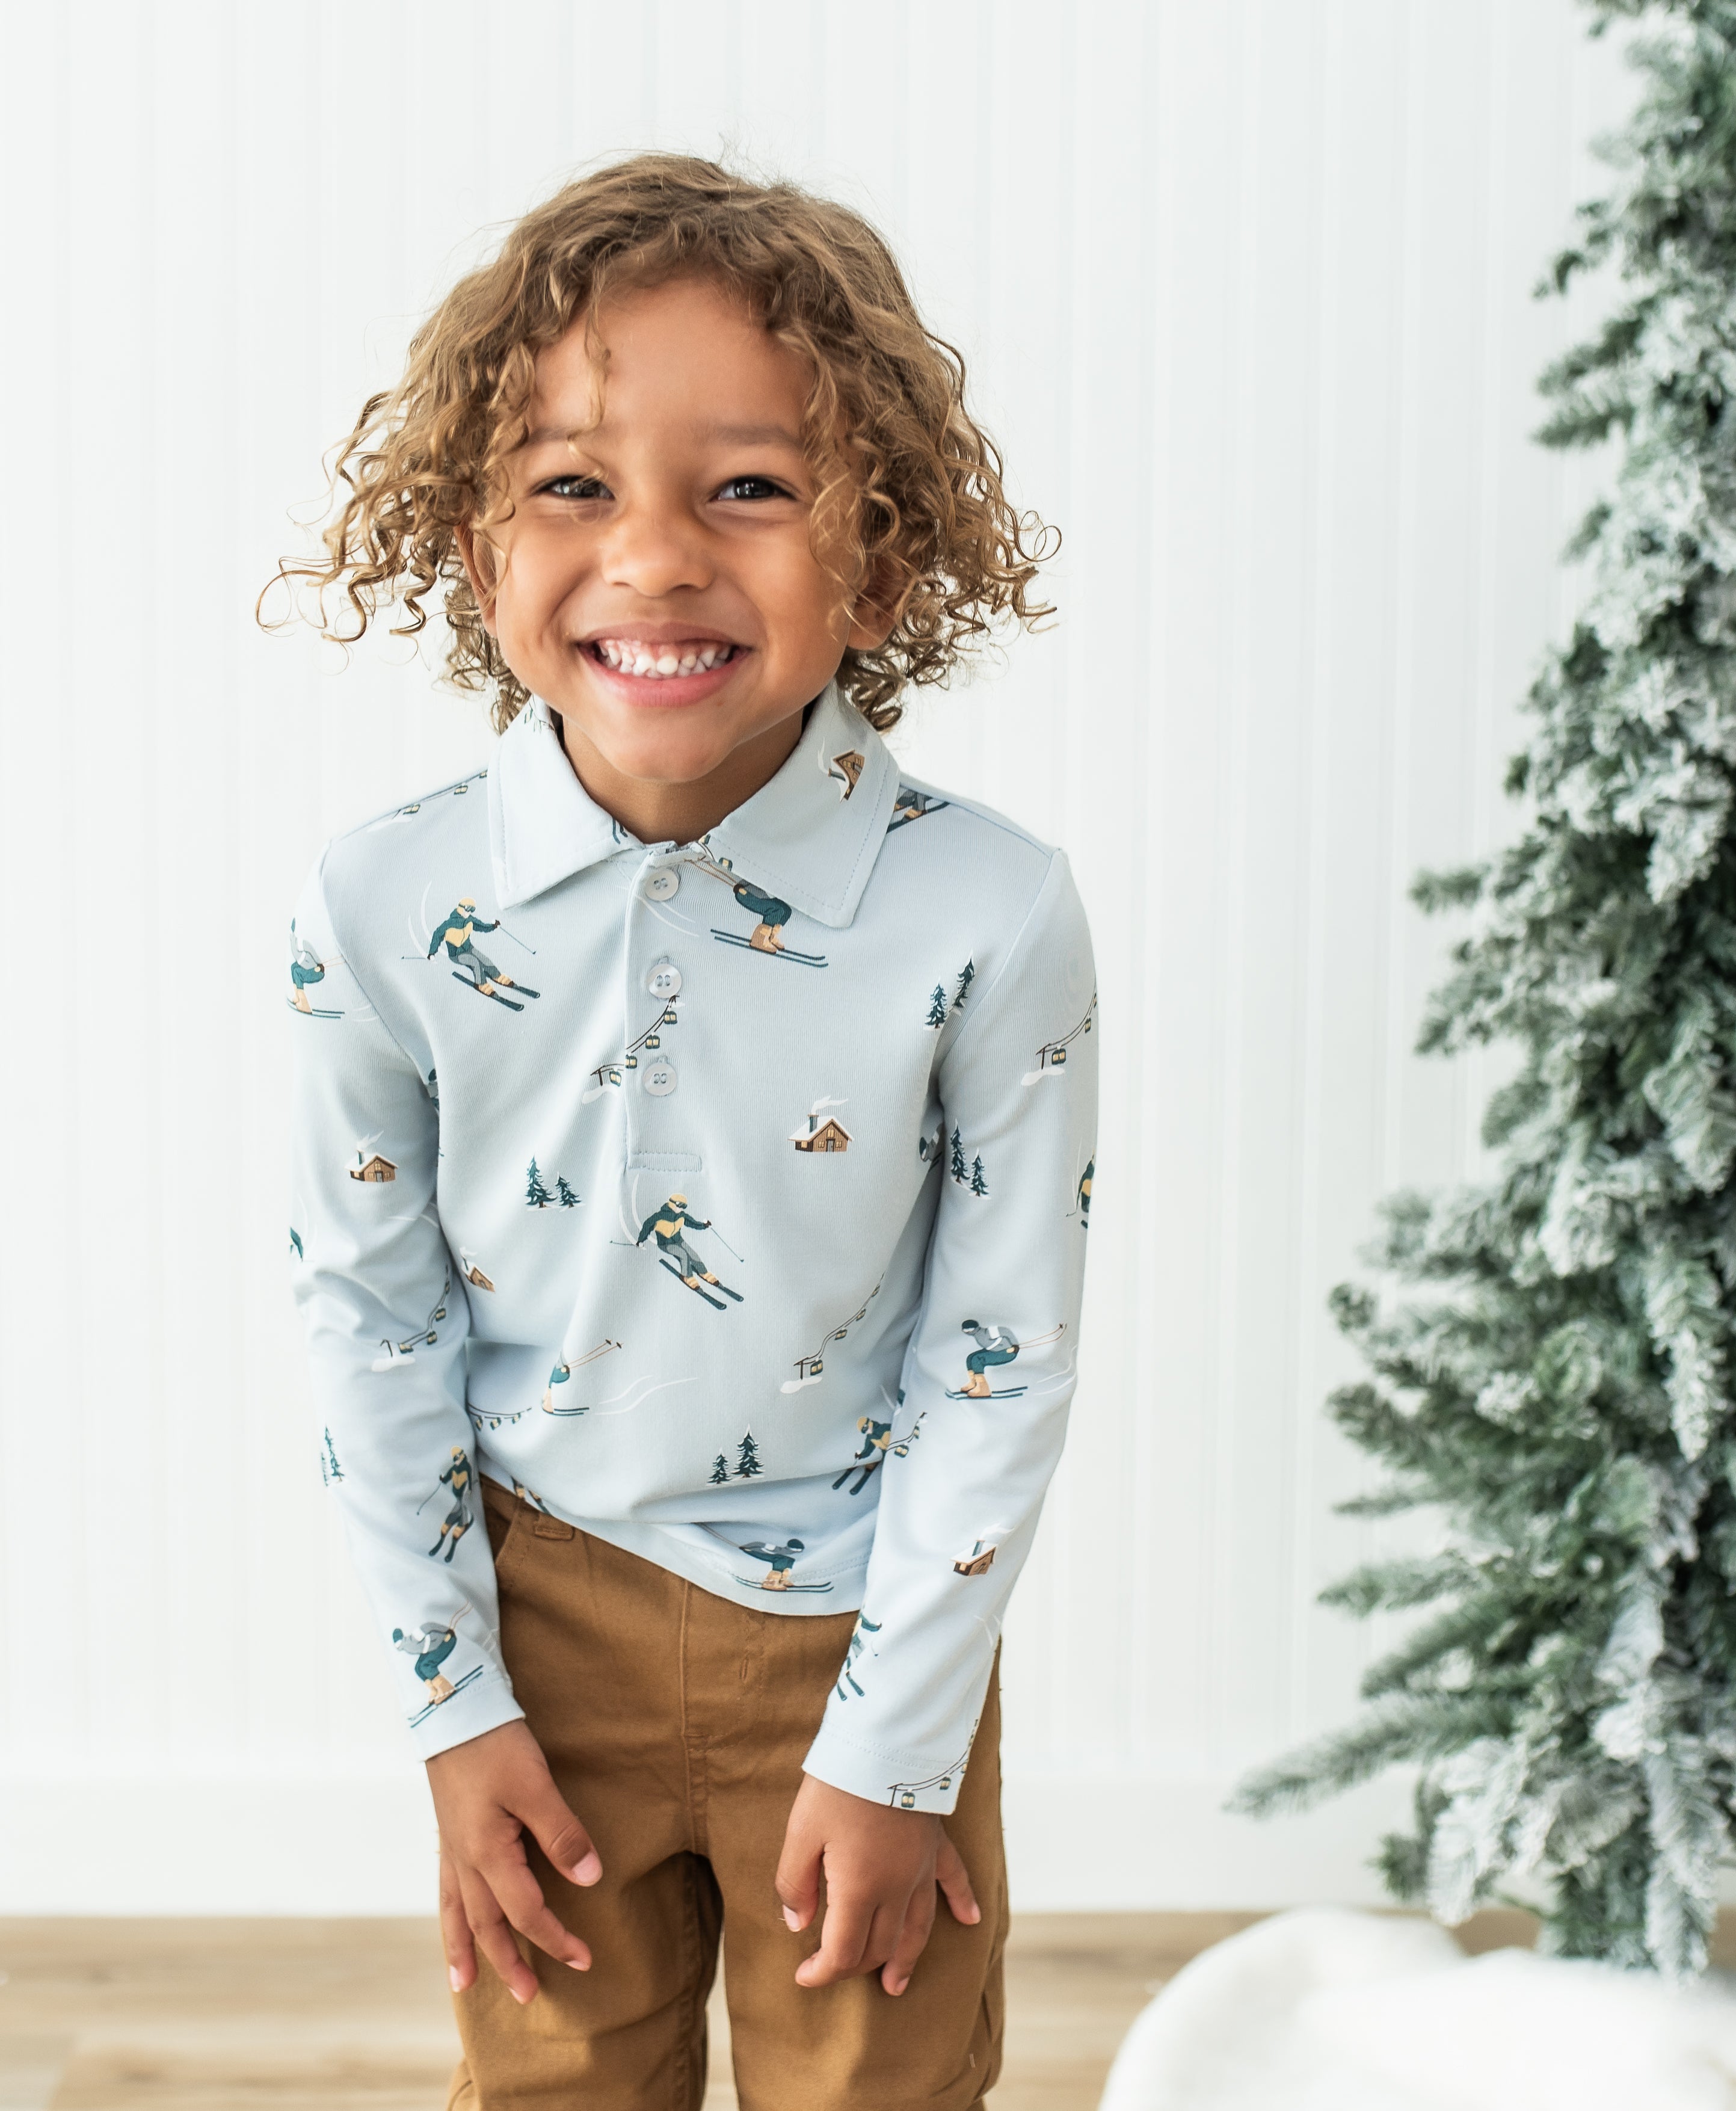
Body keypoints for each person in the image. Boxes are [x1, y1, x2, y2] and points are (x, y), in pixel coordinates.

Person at [275, 153, 1098, 2111]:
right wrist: (453, 1710)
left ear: (881, 557)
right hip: (532, 1623)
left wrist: (899, 1747)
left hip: (863, 1632)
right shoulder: (383, 906)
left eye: (750, 488)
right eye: (573, 487)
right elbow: (366, 1325)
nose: (653, 559)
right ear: (473, 550)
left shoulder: (988, 914)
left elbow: (1006, 1359)